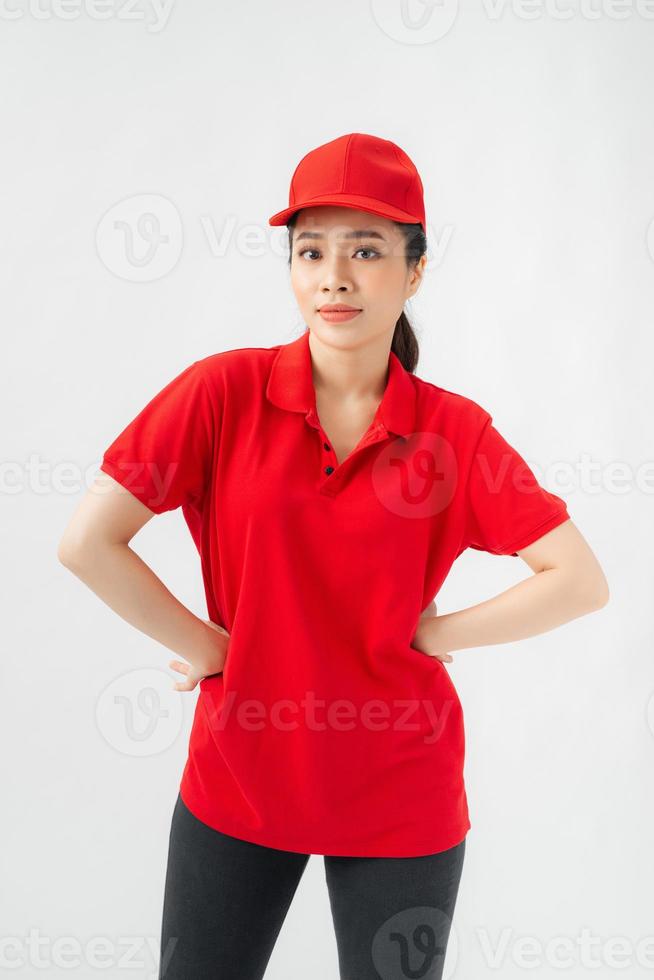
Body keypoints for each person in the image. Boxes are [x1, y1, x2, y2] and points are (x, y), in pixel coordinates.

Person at [58, 132, 610, 980]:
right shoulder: (222, 393)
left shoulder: (453, 432)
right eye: (310, 250)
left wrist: (429, 634)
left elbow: (578, 579)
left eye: (366, 251)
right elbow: (88, 541)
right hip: (240, 776)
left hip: (401, 788)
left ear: (415, 272)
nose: (334, 275)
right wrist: (211, 646)